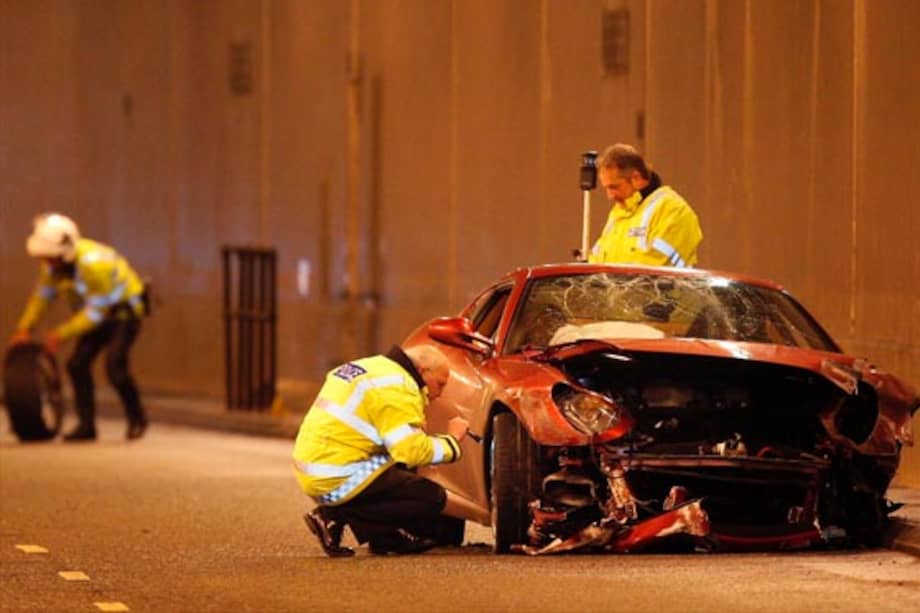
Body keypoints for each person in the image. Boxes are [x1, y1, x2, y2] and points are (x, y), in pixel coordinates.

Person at [292, 344, 469, 557]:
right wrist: (453, 441)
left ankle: (384, 538)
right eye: (440, 384)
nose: (439, 394)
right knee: (431, 497)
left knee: (400, 467)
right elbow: (411, 452)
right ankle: (333, 515)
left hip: (317, 466)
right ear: (423, 371)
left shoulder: (374, 367)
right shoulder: (399, 387)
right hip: (336, 476)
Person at [7, 213, 149, 441]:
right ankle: (87, 426)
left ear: (65, 253)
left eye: (50, 258)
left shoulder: (95, 264)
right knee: (77, 364)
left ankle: (137, 418)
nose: (46, 263)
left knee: (115, 367)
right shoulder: (54, 266)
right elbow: (42, 297)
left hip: (124, 315)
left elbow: (96, 313)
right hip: (96, 313)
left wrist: (59, 335)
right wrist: (24, 328)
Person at [588, 143, 703, 267]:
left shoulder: (673, 210)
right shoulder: (619, 214)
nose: (610, 196)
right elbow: (596, 263)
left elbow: (654, 271)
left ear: (636, 178)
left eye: (614, 187)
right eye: (606, 188)